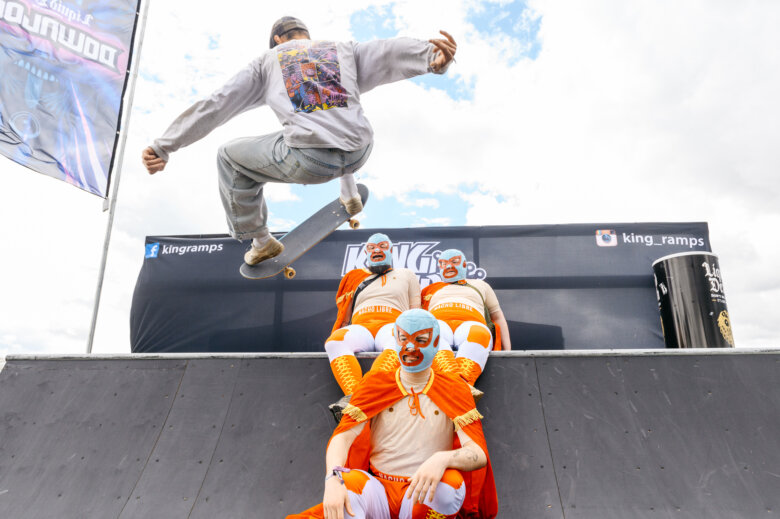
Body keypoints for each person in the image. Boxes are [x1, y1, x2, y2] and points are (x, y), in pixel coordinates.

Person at [141, 16, 457, 265]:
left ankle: (261, 241)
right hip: (361, 150)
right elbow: (388, 50)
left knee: (229, 157)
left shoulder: (267, 60)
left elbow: (215, 106)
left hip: (313, 161)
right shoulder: (340, 49)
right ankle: (350, 196)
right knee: (329, 117)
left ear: (277, 40)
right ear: (305, 34)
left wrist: (165, 146)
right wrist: (432, 57)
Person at [287, 309, 498, 519]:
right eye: (403, 338)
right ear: (395, 340)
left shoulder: (454, 388)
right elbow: (342, 437)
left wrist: (442, 459)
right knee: (344, 489)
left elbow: (477, 454)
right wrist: (332, 478)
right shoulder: (376, 383)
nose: (410, 347)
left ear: (436, 343)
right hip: (377, 489)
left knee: (448, 488)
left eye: (421, 340)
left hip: (422, 492)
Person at [327, 233, 420, 400]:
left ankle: (366, 395)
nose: (377, 250)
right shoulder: (354, 277)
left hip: (392, 325)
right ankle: (354, 397)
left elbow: (416, 310)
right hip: (361, 327)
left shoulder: (407, 274)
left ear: (391, 250)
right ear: (366, 253)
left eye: (383, 246)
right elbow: (344, 317)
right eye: (371, 248)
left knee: (401, 344)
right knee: (335, 341)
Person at [422, 249, 511, 386]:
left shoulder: (480, 285)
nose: (449, 266)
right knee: (429, 334)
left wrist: (508, 351)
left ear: (464, 265)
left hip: (472, 323)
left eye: (454, 261)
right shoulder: (429, 289)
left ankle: (462, 383)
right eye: (443, 263)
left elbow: (498, 317)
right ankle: (456, 384)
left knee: (479, 334)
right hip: (438, 323)